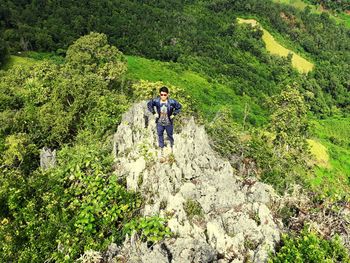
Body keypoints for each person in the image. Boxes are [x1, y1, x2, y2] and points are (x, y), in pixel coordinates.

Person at [147, 86, 182, 155]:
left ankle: (172, 146)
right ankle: (161, 148)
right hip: (159, 122)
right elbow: (149, 104)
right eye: (161, 94)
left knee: (170, 135)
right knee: (160, 134)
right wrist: (154, 113)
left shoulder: (172, 102)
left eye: (165, 95)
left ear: (167, 94)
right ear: (159, 94)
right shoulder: (156, 101)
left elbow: (179, 107)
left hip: (169, 122)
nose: (163, 96)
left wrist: (174, 114)